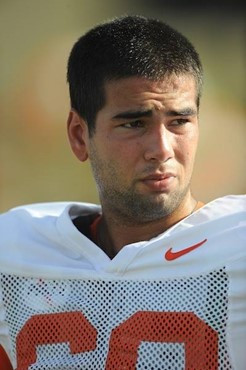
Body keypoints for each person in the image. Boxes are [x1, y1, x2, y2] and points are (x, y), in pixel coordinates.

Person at [0, 15, 245, 370]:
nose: (162, 149)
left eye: (179, 121)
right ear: (79, 136)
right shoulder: (15, 249)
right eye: (134, 123)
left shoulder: (237, 242)